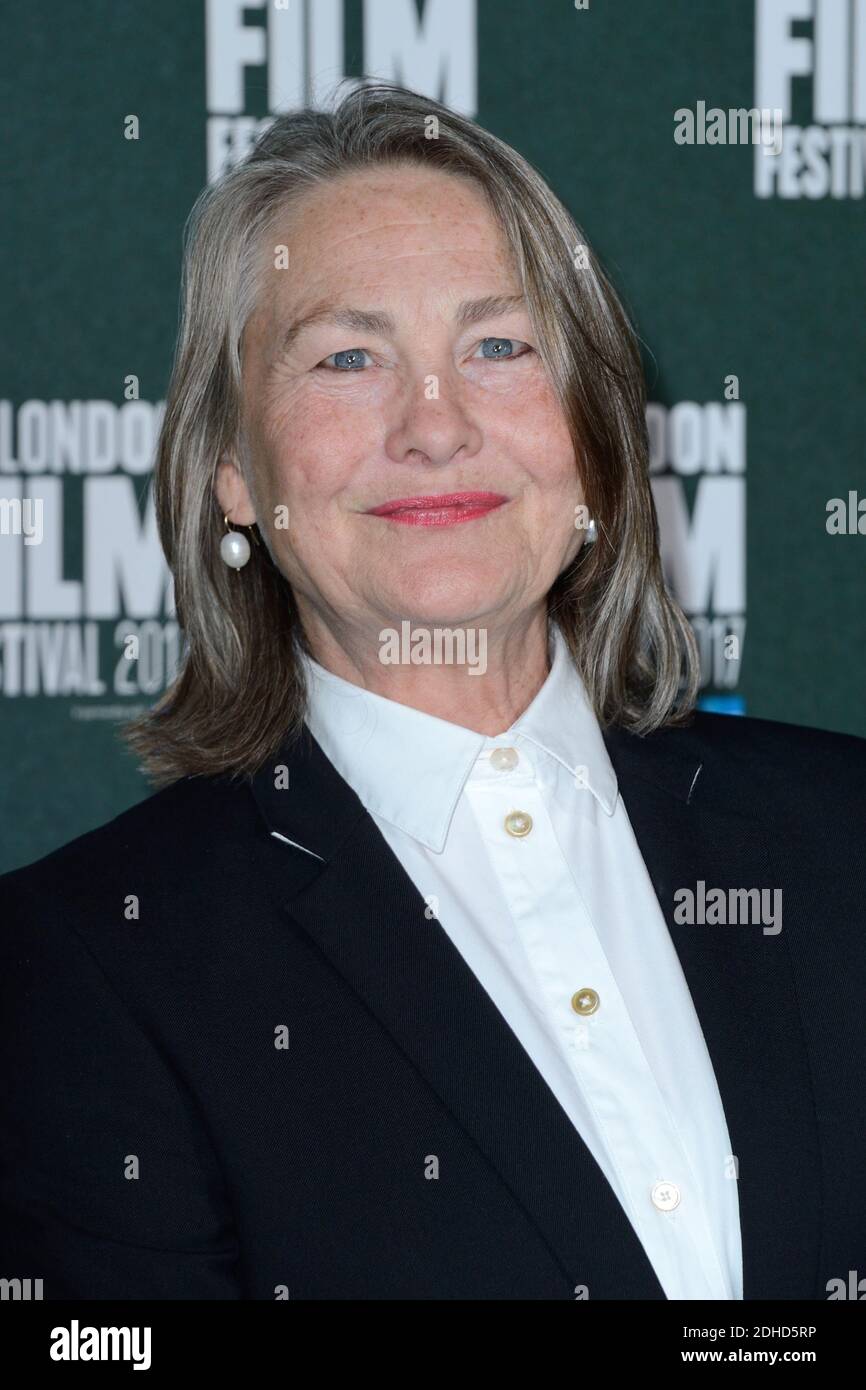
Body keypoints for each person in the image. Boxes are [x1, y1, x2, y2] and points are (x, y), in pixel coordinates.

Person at [1, 81, 864, 1302]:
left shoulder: (842, 839)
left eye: (498, 346)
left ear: (595, 435)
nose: (434, 424)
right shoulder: (92, 964)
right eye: (347, 356)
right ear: (232, 472)